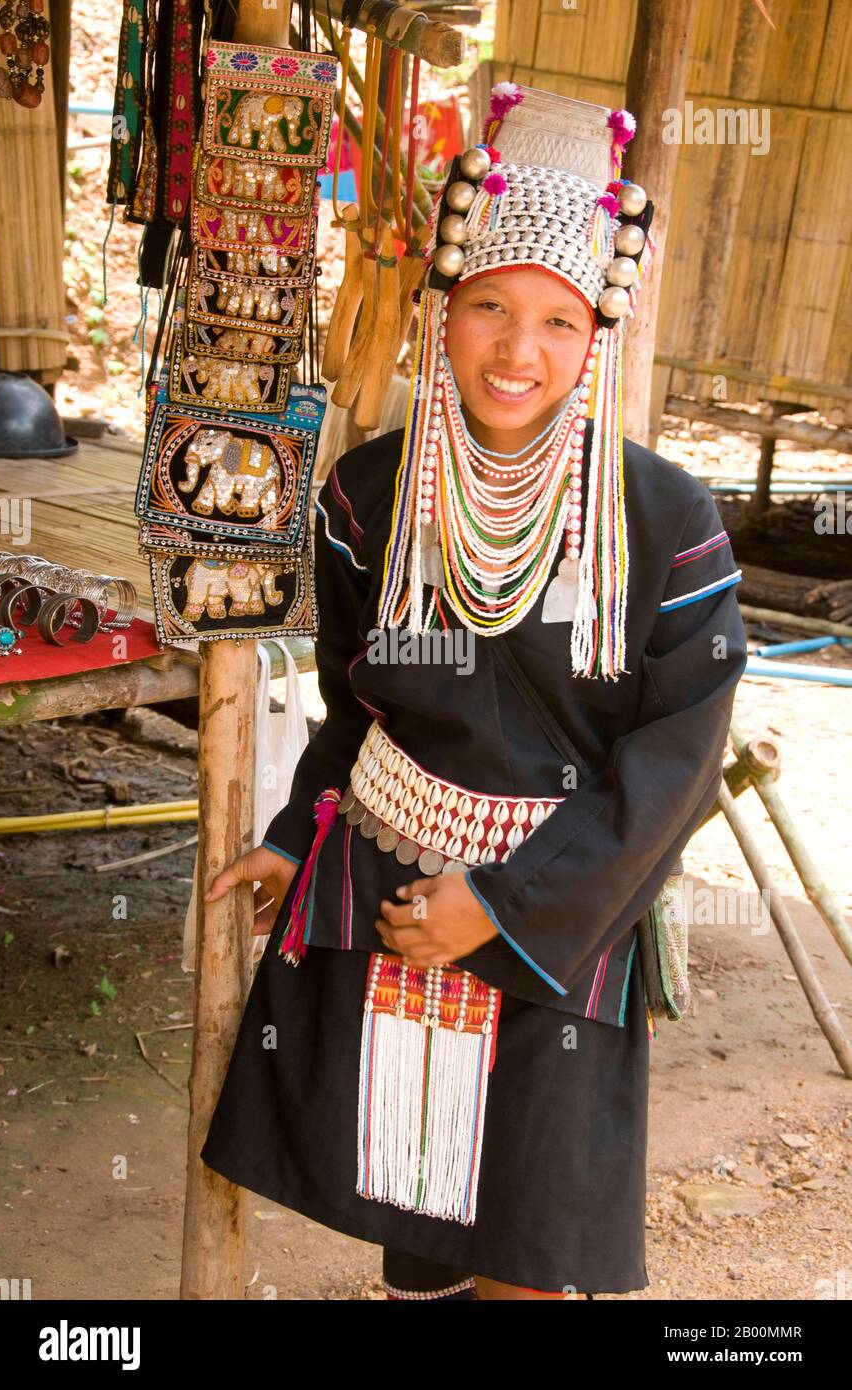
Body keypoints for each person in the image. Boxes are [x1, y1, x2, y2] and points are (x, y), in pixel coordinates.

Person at [200, 84, 748, 1300]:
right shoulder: (366, 494)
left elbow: (679, 758)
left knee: (528, 1241)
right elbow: (354, 705)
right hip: (392, 877)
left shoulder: (659, 521)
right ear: (439, 310)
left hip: (557, 911)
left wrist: (498, 906)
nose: (516, 350)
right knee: (419, 1216)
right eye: (488, 307)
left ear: (596, 338)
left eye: (557, 322)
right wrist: (302, 839)